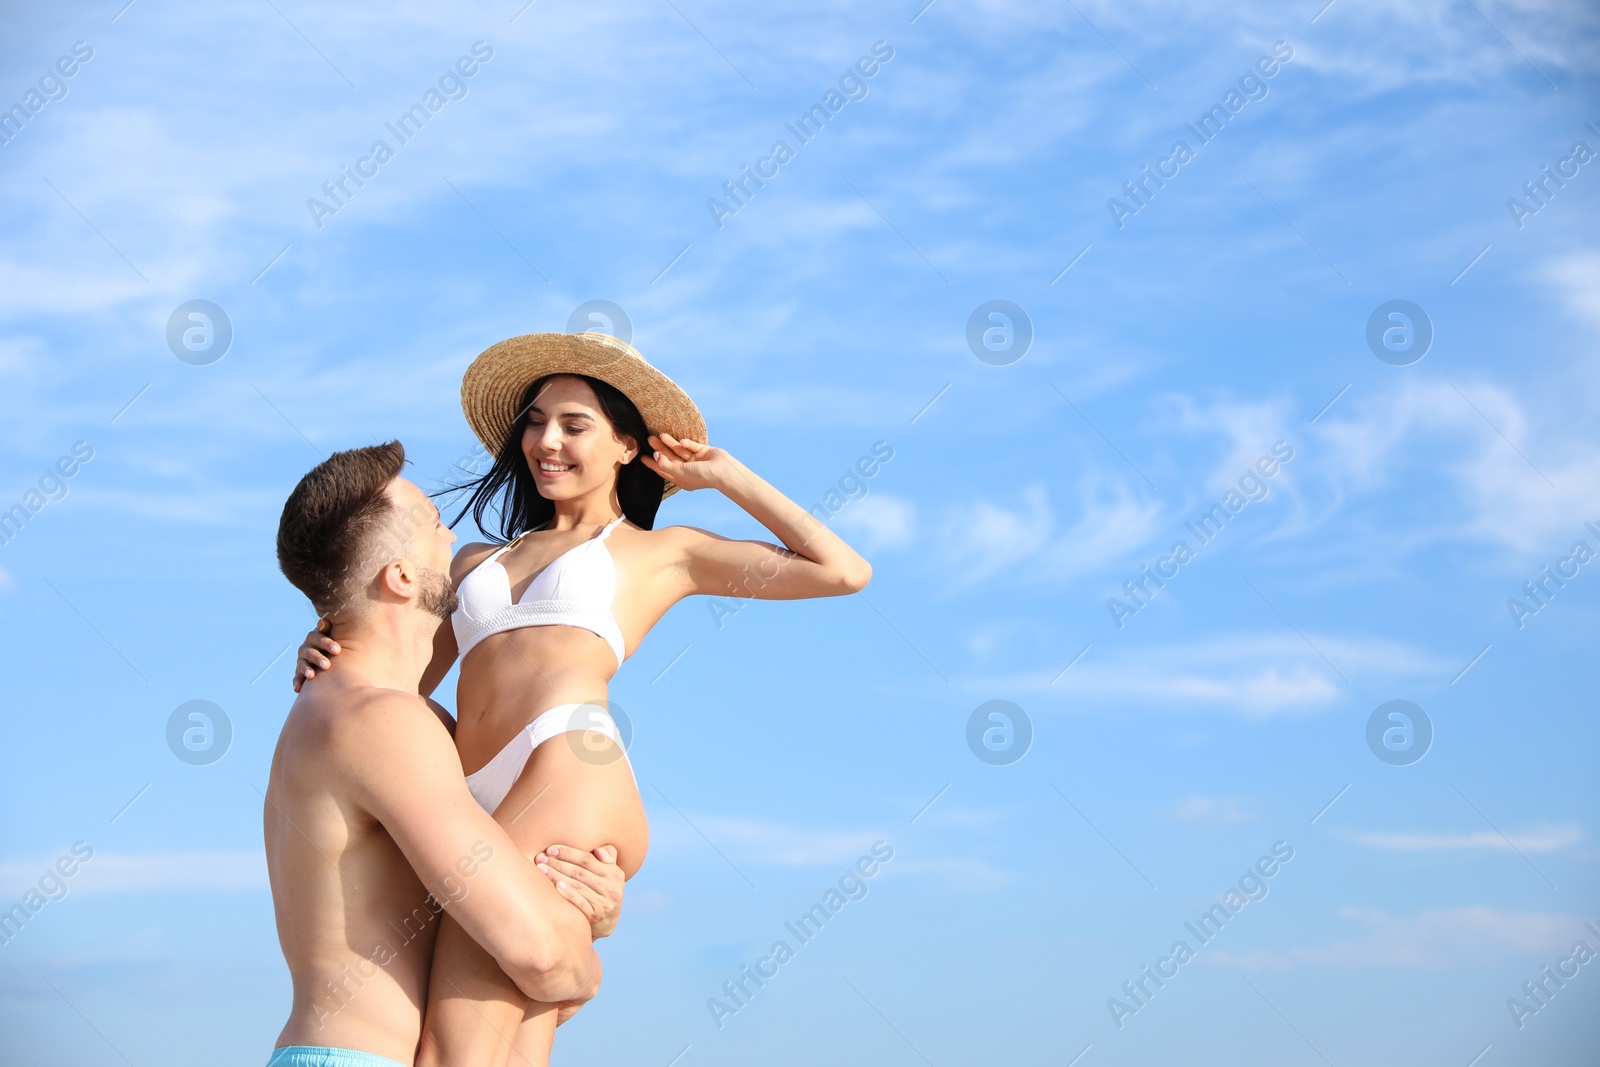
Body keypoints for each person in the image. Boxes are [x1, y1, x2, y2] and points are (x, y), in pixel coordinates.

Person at [293, 331, 873, 1066]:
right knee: (494, 1041)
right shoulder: (473, 558)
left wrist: (727, 476)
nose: (546, 439)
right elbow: (396, 676)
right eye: (535, 420)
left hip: (565, 760)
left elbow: (843, 570)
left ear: (629, 446)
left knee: (455, 1051)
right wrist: (324, 643)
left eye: (575, 424)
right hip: (471, 793)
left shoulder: (662, 552)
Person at [266, 440, 628, 1067]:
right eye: (433, 525)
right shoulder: (382, 722)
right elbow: (537, 952)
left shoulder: (357, 710)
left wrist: (580, 904)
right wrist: (585, 958)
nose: (452, 538)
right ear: (401, 577)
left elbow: (485, 922)